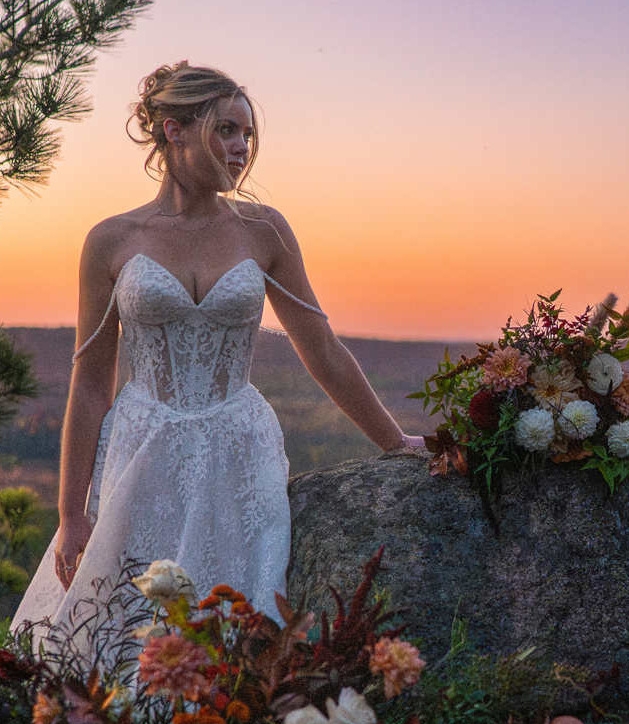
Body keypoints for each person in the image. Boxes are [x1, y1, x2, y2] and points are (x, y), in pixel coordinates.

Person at [14, 62, 423, 632]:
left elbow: (322, 349)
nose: (241, 149)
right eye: (226, 130)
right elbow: (88, 386)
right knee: (125, 627)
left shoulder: (265, 231)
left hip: (239, 448)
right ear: (173, 131)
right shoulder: (111, 240)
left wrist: (395, 440)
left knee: (234, 622)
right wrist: (70, 515)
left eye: (247, 135)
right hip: (139, 451)